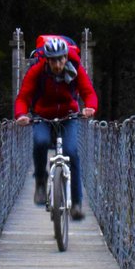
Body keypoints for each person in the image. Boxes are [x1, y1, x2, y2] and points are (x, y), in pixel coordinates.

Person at [14, 36, 98, 220]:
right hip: (43, 115)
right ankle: (41, 182)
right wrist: (21, 115)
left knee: (72, 151)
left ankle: (76, 203)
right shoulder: (37, 71)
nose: (58, 64)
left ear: (66, 57)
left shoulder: (75, 70)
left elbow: (88, 92)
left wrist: (90, 107)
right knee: (40, 141)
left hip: (69, 115)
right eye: (53, 60)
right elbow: (23, 97)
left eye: (61, 59)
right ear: (47, 59)